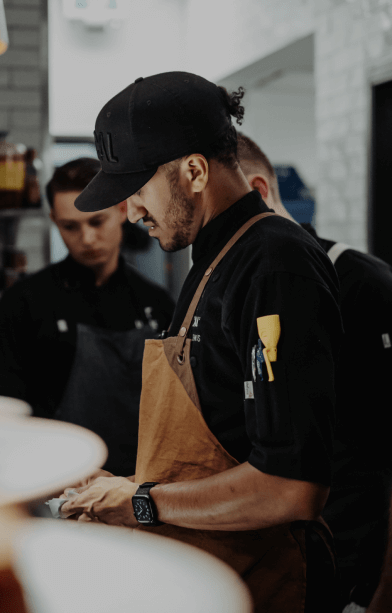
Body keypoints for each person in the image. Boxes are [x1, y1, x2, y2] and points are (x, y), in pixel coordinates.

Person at [58, 72, 342, 613]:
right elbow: (225, 444)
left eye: (138, 191)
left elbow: (291, 485)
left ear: (193, 170)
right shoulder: (215, 258)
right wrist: (126, 486)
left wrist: (143, 502)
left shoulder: (275, 265)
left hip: (271, 586)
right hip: (215, 576)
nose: (132, 212)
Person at [236, 133, 392, 611]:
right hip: (278, 568)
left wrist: (382, 595)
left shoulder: (364, 284)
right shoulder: (245, 291)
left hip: (353, 570)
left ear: (259, 192)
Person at [0, 157, 175, 477]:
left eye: (97, 222)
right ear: (55, 221)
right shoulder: (23, 303)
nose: (86, 239)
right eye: (71, 226)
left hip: (139, 485)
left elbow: (176, 412)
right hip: (52, 482)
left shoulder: (157, 304)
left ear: (123, 210)